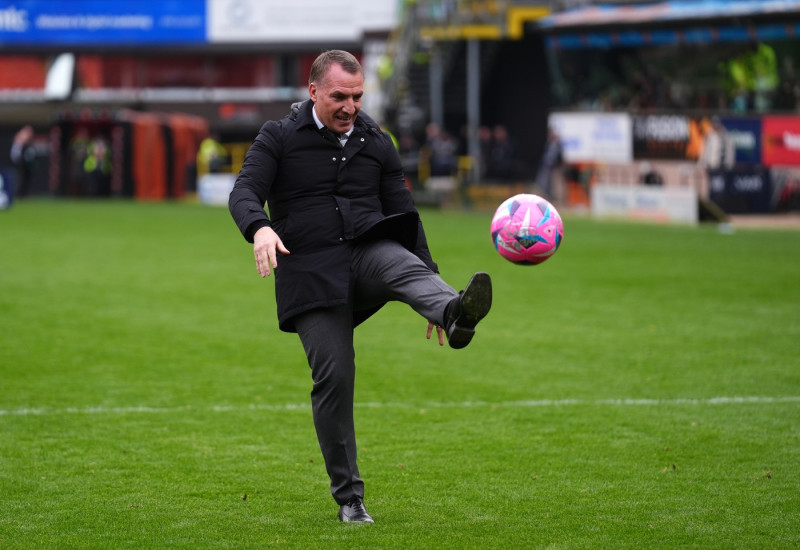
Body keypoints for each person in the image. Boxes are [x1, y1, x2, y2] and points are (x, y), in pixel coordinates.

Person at [228, 50, 491, 524]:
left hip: (368, 254)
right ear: (313, 92)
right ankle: (350, 498)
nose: (350, 106)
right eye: (339, 97)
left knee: (401, 263)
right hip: (309, 273)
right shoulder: (279, 136)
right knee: (334, 377)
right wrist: (260, 228)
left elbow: (406, 216)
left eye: (357, 96)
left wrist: (433, 293)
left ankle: (453, 312)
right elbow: (243, 191)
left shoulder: (377, 140)